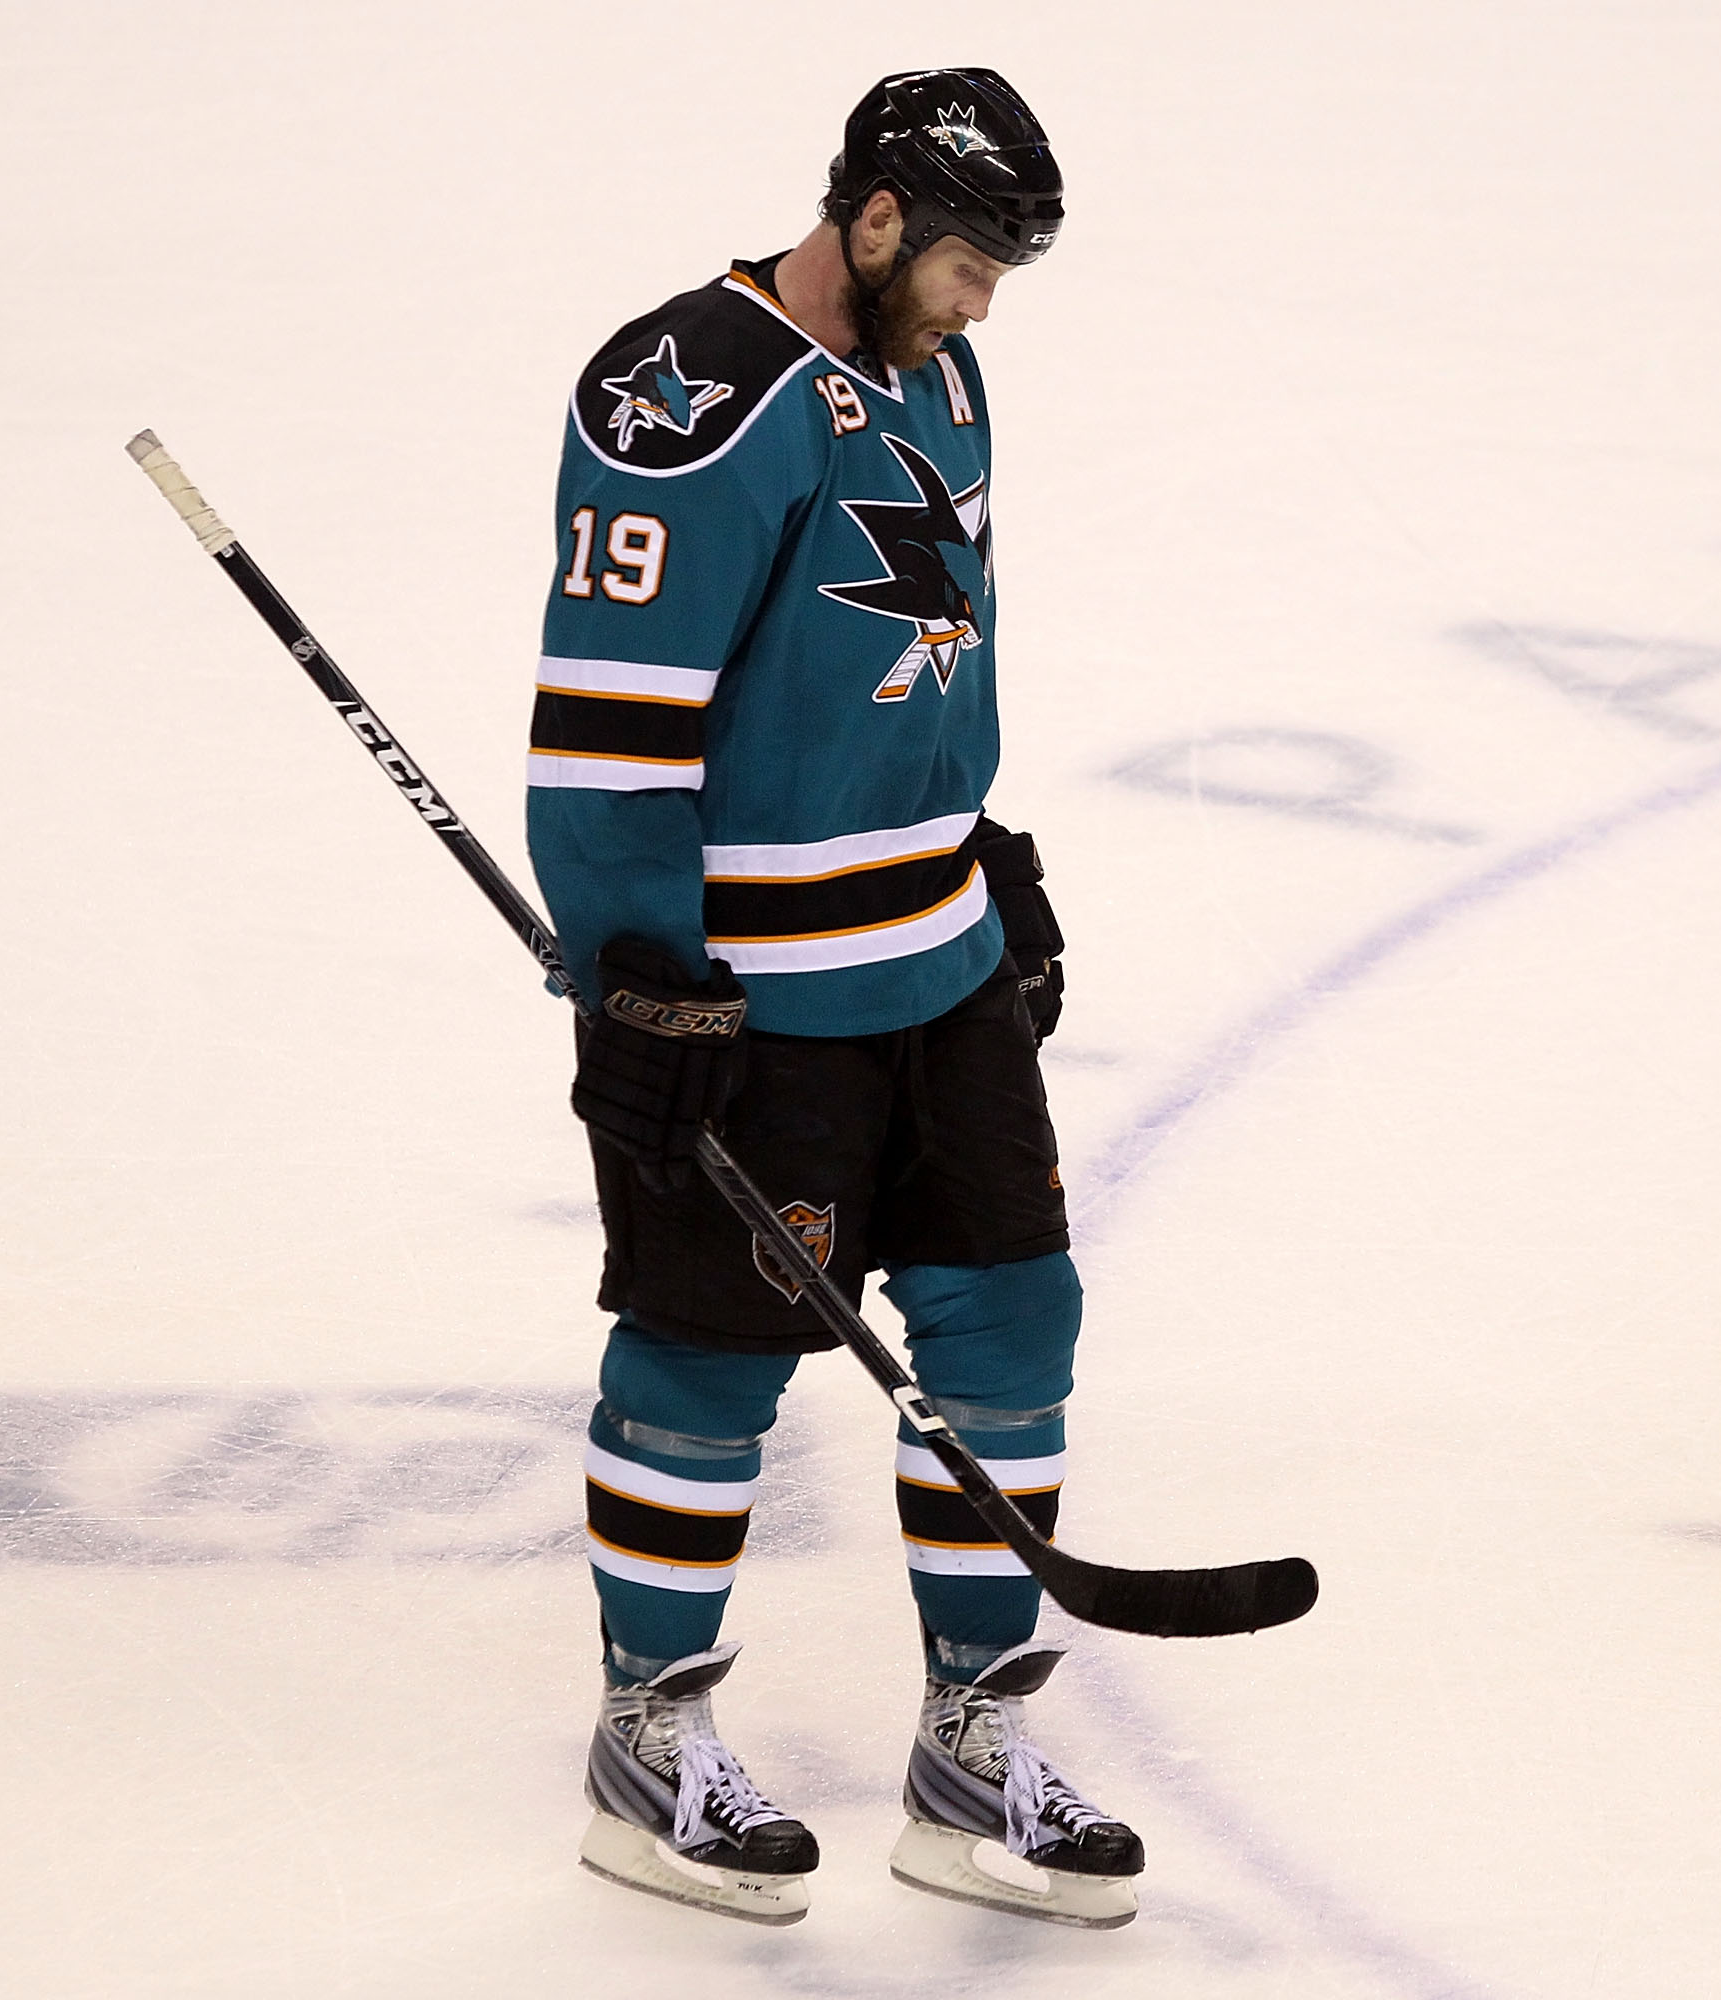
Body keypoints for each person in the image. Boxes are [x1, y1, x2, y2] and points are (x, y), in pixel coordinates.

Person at [524, 68, 1143, 1931]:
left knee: (1015, 1325)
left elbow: (920, 644)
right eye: (961, 260)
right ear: (870, 218)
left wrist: (983, 842)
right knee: (709, 1360)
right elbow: (609, 743)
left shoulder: (941, 371)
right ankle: (649, 1733)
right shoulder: (684, 405)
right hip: (756, 1000)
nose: (980, 303)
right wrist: (641, 989)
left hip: (936, 964)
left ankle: (971, 1741)